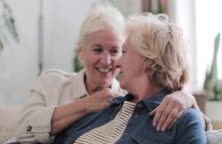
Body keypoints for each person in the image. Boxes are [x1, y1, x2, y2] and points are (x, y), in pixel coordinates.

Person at [13, 6, 208, 144]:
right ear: (81, 51)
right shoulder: (104, 105)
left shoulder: (177, 113)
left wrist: (186, 96)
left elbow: (196, 124)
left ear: (148, 60)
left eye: (119, 52)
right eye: (97, 50)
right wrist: (86, 105)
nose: (111, 62)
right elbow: (23, 134)